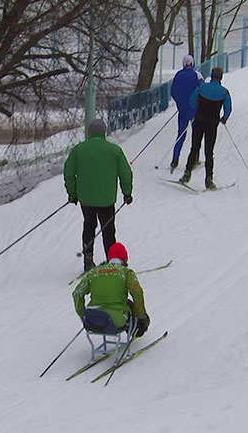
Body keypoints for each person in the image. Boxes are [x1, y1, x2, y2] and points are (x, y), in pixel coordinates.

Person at [64, 119, 133, 272]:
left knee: (89, 225)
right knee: (108, 229)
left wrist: (72, 193)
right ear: (104, 132)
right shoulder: (114, 150)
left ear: (89, 132)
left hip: (86, 199)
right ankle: (112, 261)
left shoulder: (79, 150)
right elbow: (125, 173)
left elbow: (68, 172)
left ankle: (88, 260)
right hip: (107, 199)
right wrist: (127, 193)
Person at [72, 242, 150, 338]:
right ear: (125, 258)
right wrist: (142, 317)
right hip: (114, 319)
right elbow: (137, 293)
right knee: (130, 306)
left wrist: (82, 314)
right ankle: (136, 331)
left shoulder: (93, 272)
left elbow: (77, 293)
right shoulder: (126, 273)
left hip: (91, 318)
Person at [179, 67, 232, 190]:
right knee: (209, 152)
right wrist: (224, 118)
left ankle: (187, 174)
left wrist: (200, 107)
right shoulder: (224, 92)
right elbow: (228, 109)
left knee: (194, 148)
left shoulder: (202, 87)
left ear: (211, 76)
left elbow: (192, 101)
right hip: (212, 124)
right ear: (221, 77)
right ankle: (209, 180)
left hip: (199, 121)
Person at [169, 55, 204, 170]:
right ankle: (194, 158)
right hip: (196, 110)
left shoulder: (178, 75)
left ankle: (175, 159)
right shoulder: (197, 75)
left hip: (182, 110)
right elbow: (202, 89)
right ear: (192, 63)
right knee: (196, 135)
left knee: (180, 134)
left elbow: (173, 92)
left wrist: (180, 103)